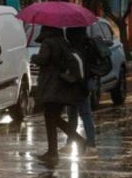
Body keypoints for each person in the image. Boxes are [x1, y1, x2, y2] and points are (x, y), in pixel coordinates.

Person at [31, 25, 87, 167]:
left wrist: (34, 57)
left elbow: (43, 59)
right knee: (53, 118)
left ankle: (56, 150)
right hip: (62, 85)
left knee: (51, 119)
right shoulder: (63, 42)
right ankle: (55, 150)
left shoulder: (48, 42)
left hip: (51, 85)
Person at [63, 27, 98, 155]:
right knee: (85, 115)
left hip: (77, 85)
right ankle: (91, 144)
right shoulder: (87, 46)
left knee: (73, 116)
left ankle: (72, 143)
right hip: (85, 84)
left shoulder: (73, 50)